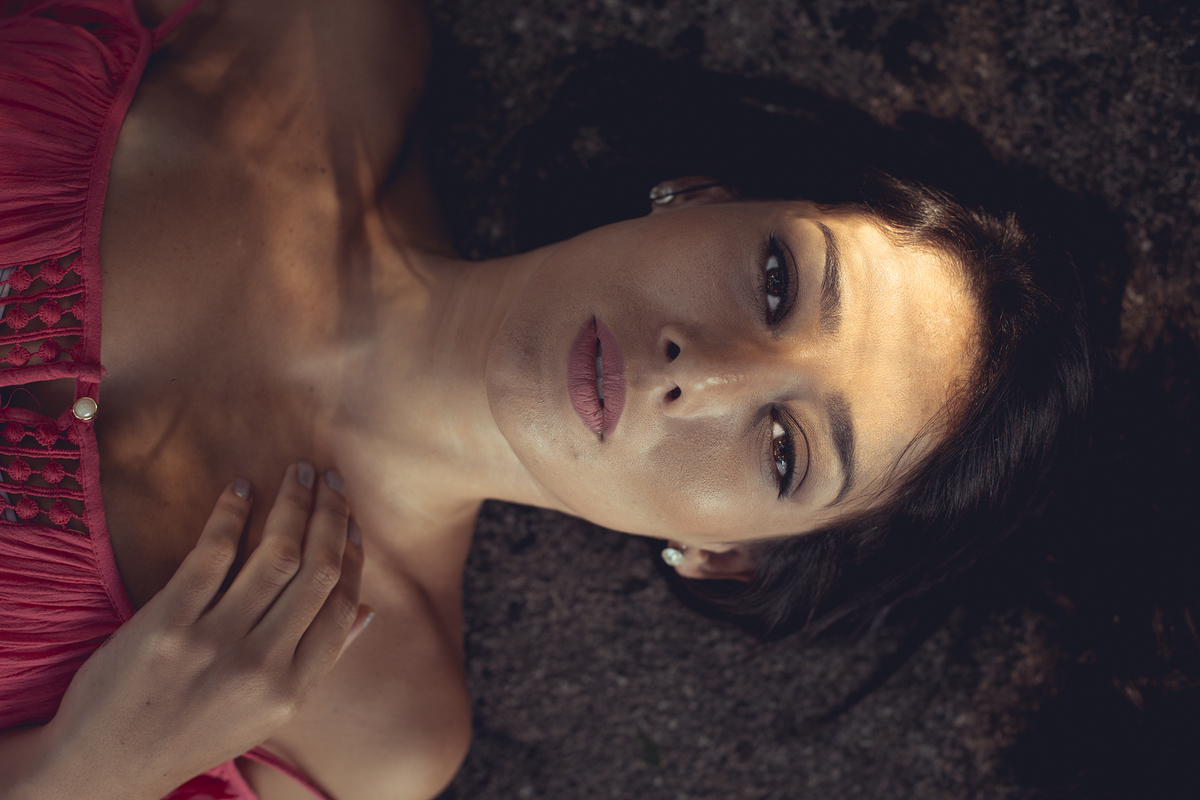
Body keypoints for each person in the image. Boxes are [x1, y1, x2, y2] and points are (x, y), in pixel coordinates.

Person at [0, 1, 1091, 799]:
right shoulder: (326, 39)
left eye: (783, 451)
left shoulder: (371, 722)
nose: (697, 374)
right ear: (706, 197)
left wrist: (83, 771)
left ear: (727, 555)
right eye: (777, 280)